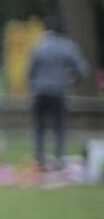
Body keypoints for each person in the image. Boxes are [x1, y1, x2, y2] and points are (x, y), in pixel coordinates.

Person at [27, 14, 91, 170]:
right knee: (60, 127)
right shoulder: (67, 46)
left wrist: (35, 85)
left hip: (39, 92)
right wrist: (72, 80)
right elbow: (83, 70)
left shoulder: (38, 46)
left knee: (39, 127)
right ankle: (58, 159)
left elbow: (30, 72)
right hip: (58, 92)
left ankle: (39, 159)